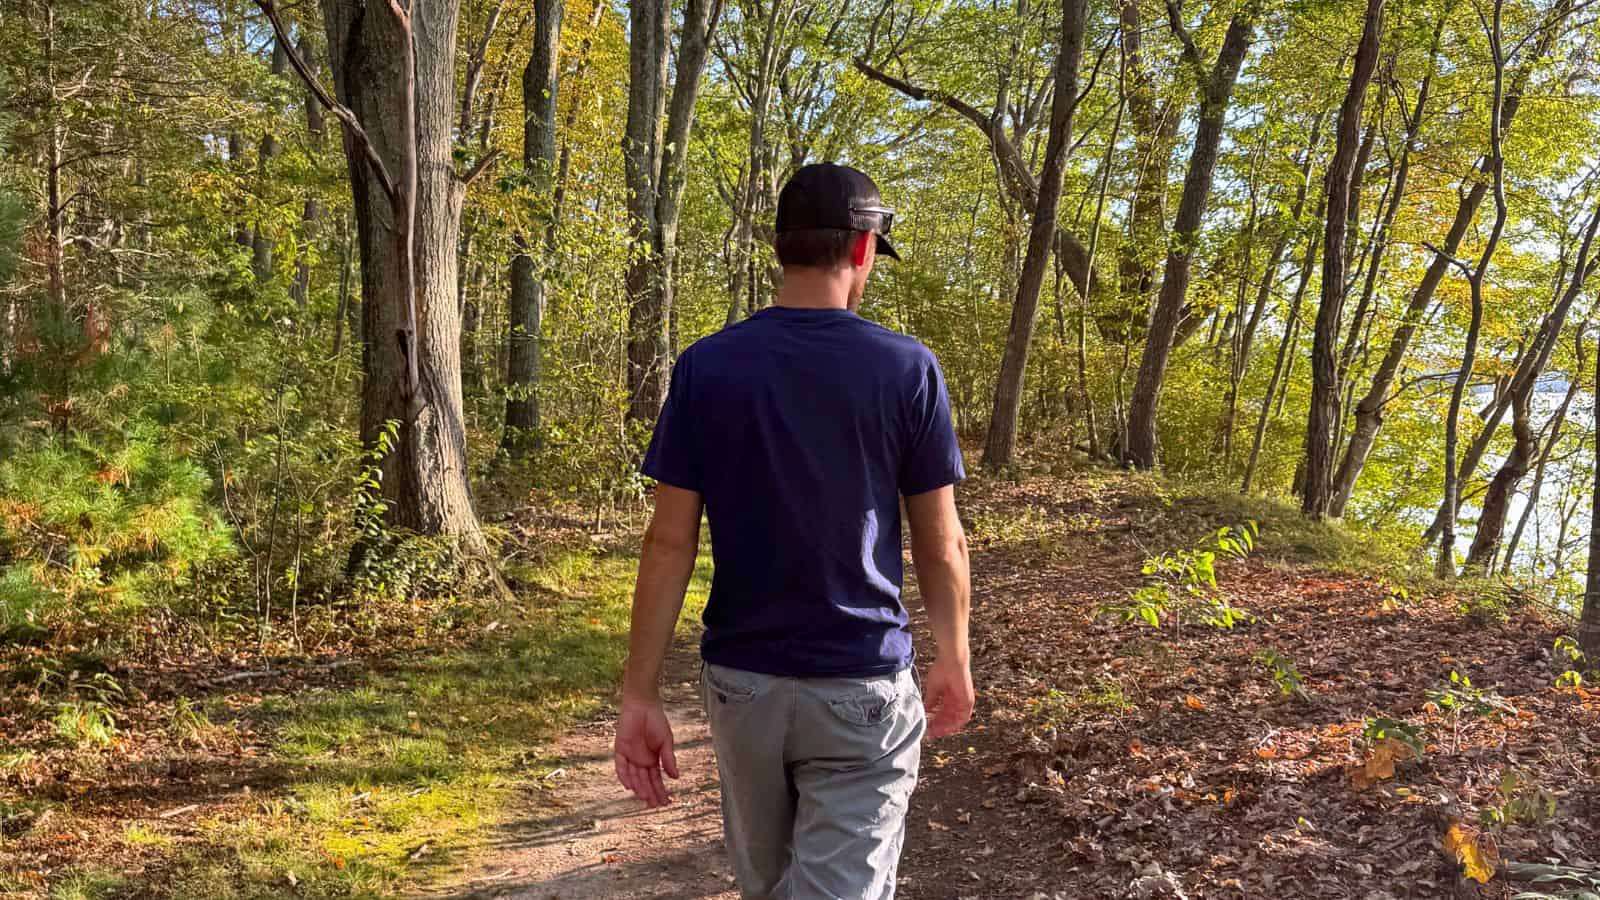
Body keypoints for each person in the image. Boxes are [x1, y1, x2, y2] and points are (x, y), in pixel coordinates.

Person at [613, 162, 973, 900]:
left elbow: (669, 542)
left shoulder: (707, 367)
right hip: (862, 685)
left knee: (771, 885)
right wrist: (954, 655)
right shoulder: (907, 369)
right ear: (865, 249)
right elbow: (942, 542)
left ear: (780, 247)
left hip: (744, 689)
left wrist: (639, 693)